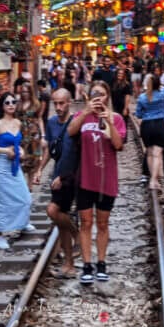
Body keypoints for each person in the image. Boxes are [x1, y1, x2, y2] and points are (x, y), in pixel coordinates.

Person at [69, 80, 126, 284]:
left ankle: (101, 263)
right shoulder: (82, 116)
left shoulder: (117, 118)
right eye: (95, 93)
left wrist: (108, 121)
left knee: (102, 223)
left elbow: (118, 145)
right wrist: (85, 112)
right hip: (85, 177)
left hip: (106, 179)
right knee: (86, 222)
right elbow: (70, 132)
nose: (98, 97)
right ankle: (86, 265)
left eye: (102, 94)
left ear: (108, 97)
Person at [39, 88, 79, 278]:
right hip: (57, 175)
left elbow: (76, 155)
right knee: (60, 220)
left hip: (70, 177)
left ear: (69, 102)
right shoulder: (52, 123)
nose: (58, 107)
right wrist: (40, 168)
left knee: (52, 211)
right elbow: (50, 149)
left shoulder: (75, 122)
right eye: (55, 103)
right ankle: (68, 265)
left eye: (62, 103)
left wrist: (63, 177)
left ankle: (77, 234)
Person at [0, 93, 34, 250]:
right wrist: (5, 151)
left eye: (14, 102)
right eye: (7, 102)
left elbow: (18, 143)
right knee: (0, 201)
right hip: (0, 165)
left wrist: (19, 150)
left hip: (14, 165)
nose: (11, 105)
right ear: (2, 106)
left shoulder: (18, 122)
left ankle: (22, 222)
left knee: (24, 196)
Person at [134, 65, 164, 190]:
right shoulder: (162, 94)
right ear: (158, 83)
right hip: (159, 124)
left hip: (147, 126)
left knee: (149, 153)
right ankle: (154, 180)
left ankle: (152, 179)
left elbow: (138, 113)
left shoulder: (142, 97)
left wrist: (145, 113)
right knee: (157, 154)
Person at [16, 82, 44, 190]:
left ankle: (30, 185)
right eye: (23, 91)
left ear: (30, 92)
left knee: (33, 159)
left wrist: (43, 134)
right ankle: (22, 183)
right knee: (22, 159)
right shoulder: (18, 103)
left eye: (27, 91)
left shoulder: (36, 103)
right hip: (22, 133)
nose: (25, 93)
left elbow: (39, 118)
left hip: (33, 134)